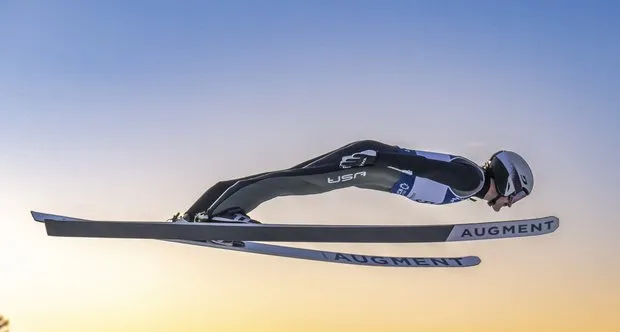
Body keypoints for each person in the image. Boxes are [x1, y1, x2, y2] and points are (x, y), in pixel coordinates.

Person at [170, 139, 534, 227]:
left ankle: (197, 215)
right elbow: (418, 163)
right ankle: (222, 215)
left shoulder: (468, 183)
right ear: (508, 180)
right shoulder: (470, 179)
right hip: (369, 164)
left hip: (369, 162)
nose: (511, 203)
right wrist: (375, 159)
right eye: (516, 195)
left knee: (284, 179)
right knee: (297, 184)